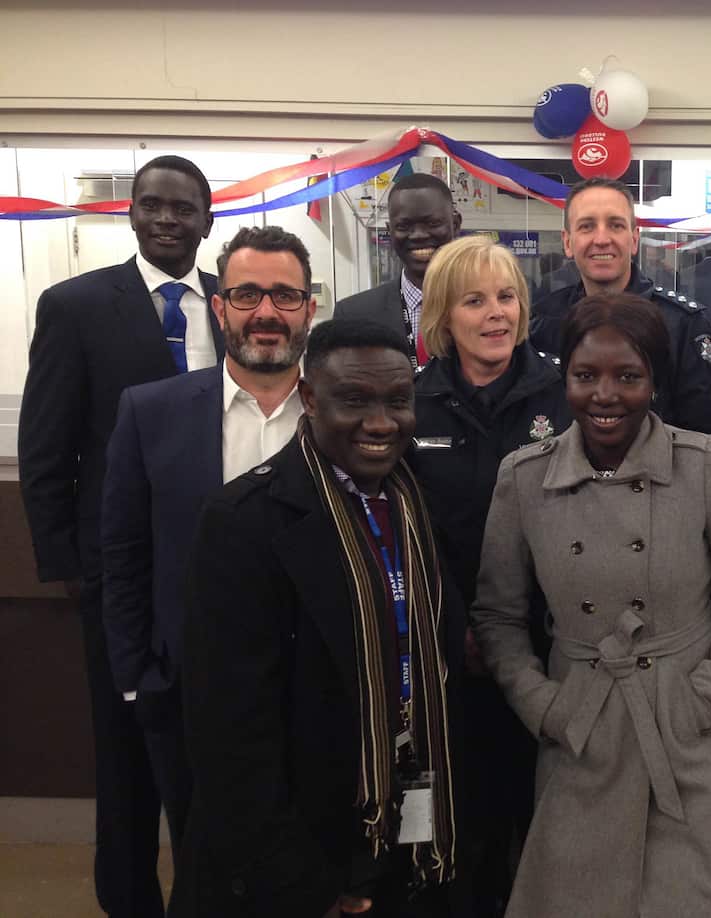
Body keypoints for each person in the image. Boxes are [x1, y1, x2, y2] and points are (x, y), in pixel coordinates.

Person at [472, 294, 711, 917]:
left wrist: (700, 700)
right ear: (563, 378)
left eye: (628, 376)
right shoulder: (524, 478)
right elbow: (497, 617)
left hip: (691, 732)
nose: (605, 395)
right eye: (585, 376)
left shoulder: (704, 465)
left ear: (656, 382)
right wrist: (545, 707)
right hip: (582, 731)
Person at [171, 319, 464, 918]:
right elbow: (229, 735)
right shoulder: (244, 522)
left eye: (397, 401)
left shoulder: (418, 503)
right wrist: (301, 886)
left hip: (403, 830)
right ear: (309, 398)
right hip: (298, 860)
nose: (380, 422)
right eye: (354, 401)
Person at [17, 154, 223, 918]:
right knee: (128, 751)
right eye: (153, 205)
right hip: (122, 575)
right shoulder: (75, 306)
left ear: (207, 219)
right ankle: (131, 900)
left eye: (184, 208)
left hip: (218, 569)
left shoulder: (229, 304)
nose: (168, 219)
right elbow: (47, 448)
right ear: (131, 213)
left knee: (211, 748)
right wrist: (72, 569)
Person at [99, 225, 315, 865]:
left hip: (320, 695)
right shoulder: (149, 412)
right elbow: (124, 555)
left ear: (310, 308)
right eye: (247, 295)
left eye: (285, 296)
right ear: (219, 307)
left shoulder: (347, 413)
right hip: (189, 692)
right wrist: (139, 680)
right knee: (205, 865)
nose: (267, 313)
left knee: (311, 868)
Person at [409, 235, 570, 916]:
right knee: (460, 823)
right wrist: (458, 627)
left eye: (506, 296)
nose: (495, 313)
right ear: (445, 315)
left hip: (551, 650)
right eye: (474, 300)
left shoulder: (565, 394)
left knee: (542, 822)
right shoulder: (412, 402)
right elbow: (409, 530)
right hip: (447, 655)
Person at [529, 177, 711, 433]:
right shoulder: (544, 322)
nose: (601, 239)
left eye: (615, 225)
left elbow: (702, 435)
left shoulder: (683, 326)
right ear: (567, 242)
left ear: (634, 239)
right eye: (587, 226)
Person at [336, 172, 461, 369]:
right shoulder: (354, 316)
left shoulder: (499, 308)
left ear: (455, 224)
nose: (419, 235)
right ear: (390, 230)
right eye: (404, 226)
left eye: (432, 224)